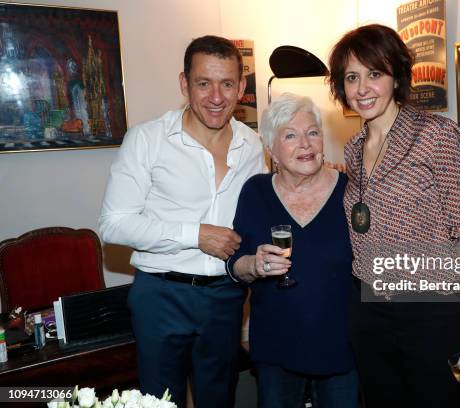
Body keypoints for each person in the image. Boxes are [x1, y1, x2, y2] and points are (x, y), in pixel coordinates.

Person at [327, 24, 460, 407]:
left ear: (397, 76)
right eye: (352, 77)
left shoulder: (436, 134)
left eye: (375, 74)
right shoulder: (353, 149)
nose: (362, 88)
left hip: (429, 310)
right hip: (369, 310)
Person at [99, 35, 265, 408]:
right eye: (203, 83)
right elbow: (113, 224)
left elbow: (258, 215)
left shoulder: (252, 145)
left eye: (227, 84)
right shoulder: (147, 139)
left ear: (241, 86)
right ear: (184, 83)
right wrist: (195, 235)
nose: (216, 97)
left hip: (226, 296)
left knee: (218, 398)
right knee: (159, 401)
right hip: (161, 296)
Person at [226, 93, 358, 408]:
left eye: (312, 132)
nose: (305, 144)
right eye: (290, 135)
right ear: (270, 149)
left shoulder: (351, 190)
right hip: (277, 345)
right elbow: (234, 264)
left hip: (341, 344)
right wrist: (254, 265)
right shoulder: (255, 192)